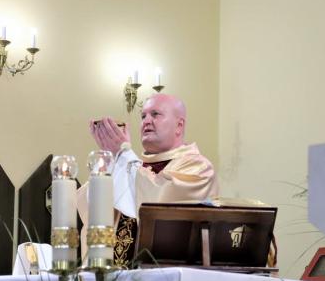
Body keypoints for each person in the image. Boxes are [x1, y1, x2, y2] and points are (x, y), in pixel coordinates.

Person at [78, 93, 219, 267]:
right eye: (143, 116)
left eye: (155, 114)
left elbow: (158, 204)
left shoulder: (198, 168)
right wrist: (112, 163)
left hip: (163, 275)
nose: (146, 121)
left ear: (179, 125)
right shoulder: (132, 167)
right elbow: (92, 212)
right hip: (115, 276)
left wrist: (123, 154)